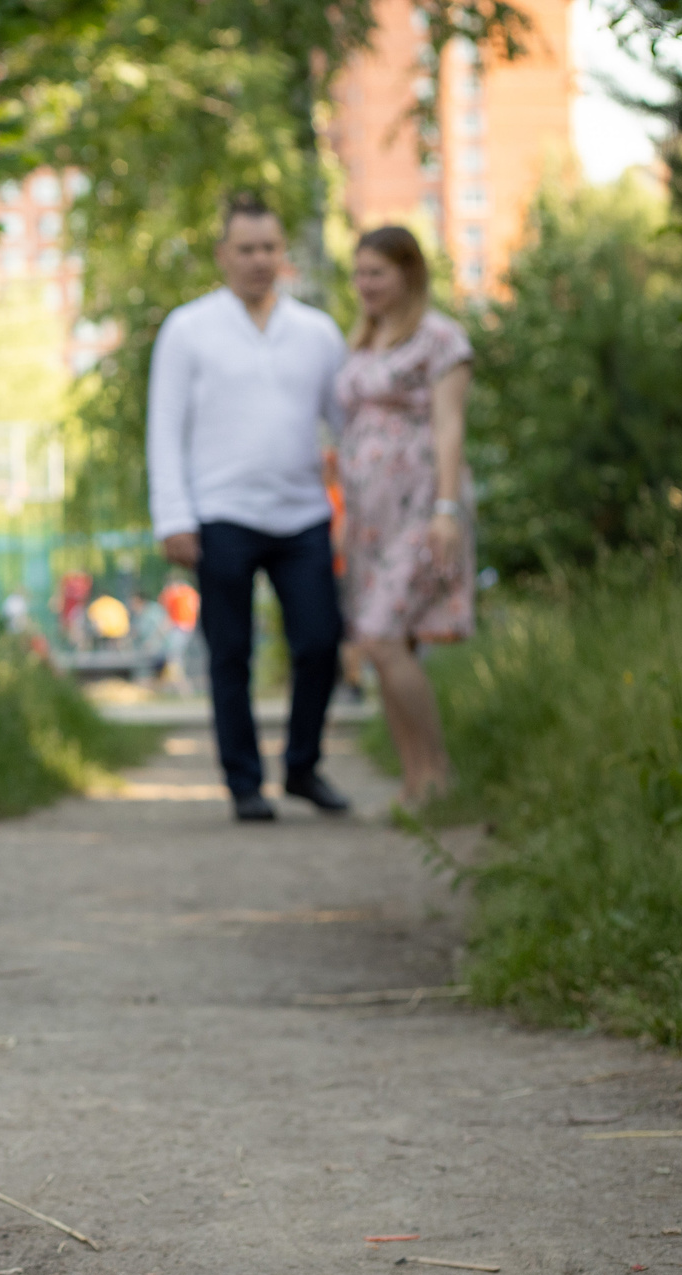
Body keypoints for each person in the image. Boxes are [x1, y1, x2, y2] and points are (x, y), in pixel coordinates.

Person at [147, 192, 353, 822]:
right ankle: (244, 783)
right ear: (223, 254)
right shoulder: (188, 329)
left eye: (269, 248)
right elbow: (164, 427)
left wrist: (358, 513)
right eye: (246, 249)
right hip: (221, 515)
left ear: (282, 253)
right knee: (229, 653)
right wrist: (173, 518)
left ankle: (301, 766)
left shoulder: (318, 333)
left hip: (303, 516)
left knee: (320, 643)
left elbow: (346, 428)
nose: (259, 260)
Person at [336, 225, 476, 808]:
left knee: (385, 637)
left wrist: (445, 511)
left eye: (377, 273)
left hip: (421, 507)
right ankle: (414, 779)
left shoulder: (441, 338)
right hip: (372, 522)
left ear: (408, 273)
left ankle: (439, 773)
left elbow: (450, 427)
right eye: (360, 273)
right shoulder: (364, 339)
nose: (365, 284)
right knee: (380, 644)